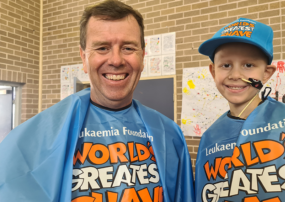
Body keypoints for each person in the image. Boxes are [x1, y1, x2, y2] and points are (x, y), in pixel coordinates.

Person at [0, 1, 194, 201]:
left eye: (128, 48)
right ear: (84, 57)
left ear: (143, 57)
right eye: (102, 48)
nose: (116, 60)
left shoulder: (170, 135)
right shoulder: (37, 138)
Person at [195, 18, 285, 202]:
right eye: (226, 65)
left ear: (267, 73)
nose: (235, 75)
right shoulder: (210, 138)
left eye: (248, 65)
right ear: (213, 71)